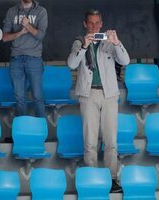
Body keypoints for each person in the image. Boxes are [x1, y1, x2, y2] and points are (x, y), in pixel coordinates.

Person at [67, 9, 130, 193]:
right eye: (91, 23)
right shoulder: (79, 42)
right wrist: (85, 46)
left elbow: (125, 60)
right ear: (85, 24)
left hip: (109, 94)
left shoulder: (109, 42)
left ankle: (111, 179)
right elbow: (71, 64)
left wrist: (116, 42)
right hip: (88, 95)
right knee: (90, 141)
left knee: (111, 141)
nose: (94, 26)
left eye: (97, 23)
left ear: (101, 24)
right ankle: (93, 178)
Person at [2, 0, 48, 117]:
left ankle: (41, 131)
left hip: (34, 58)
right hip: (16, 58)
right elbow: (5, 38)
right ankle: (22, 132)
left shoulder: (41, 11)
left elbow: (41, 35)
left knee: (37, 96)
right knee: (19, 98)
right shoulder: (12, 11)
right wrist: (20, 33)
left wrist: (27, 25)